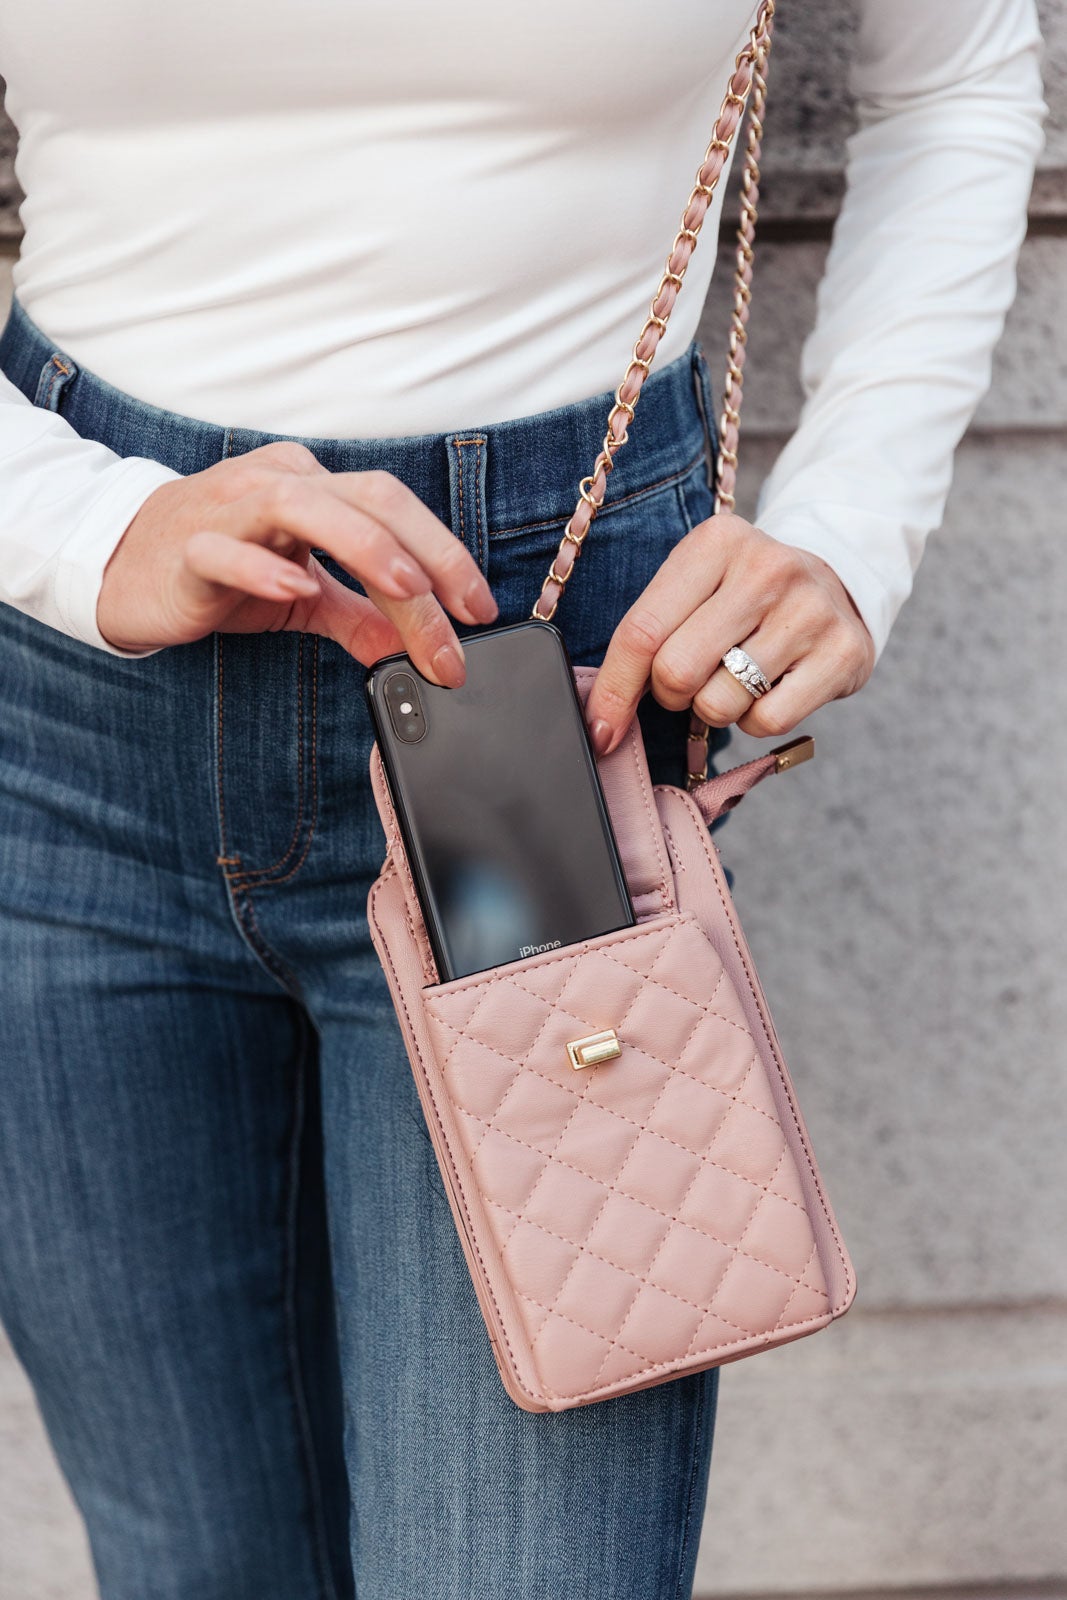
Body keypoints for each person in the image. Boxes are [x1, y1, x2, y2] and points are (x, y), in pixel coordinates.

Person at [0, 3, 1045, 1597]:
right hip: (69, 701)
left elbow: (954, 78)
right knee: (195, 1563)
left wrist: (849, 524)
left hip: (549, 688)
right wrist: (75, 530)